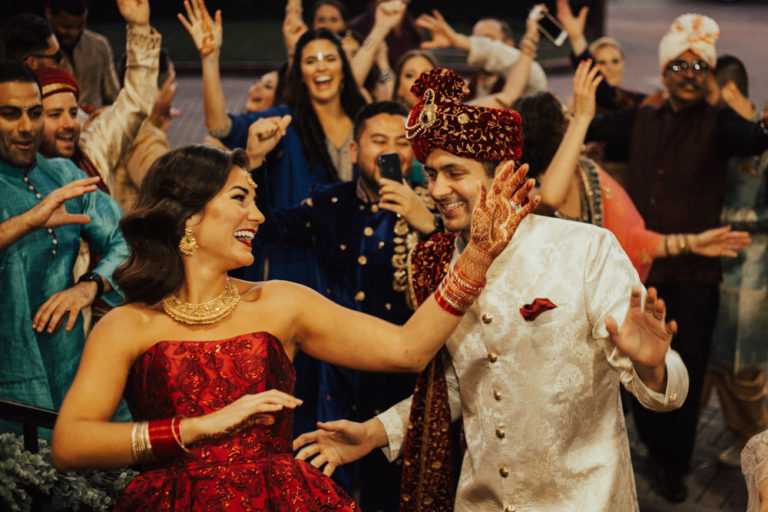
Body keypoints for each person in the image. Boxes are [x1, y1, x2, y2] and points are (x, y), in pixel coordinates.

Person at [50, 141, 536, 510]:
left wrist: (475, 257)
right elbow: (70, 444)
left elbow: (407, 349)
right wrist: (198, 427)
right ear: (190, 217)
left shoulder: (281, 303)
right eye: (241, 198)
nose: (258, 215)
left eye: (257, 200)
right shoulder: (126, 324)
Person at [293, 67, 689, 512]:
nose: (437, 188)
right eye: (431, 173)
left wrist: (653, 367)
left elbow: (666, 392)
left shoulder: (583, 249)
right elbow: (457, 387)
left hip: (585, 499)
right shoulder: (438, 264)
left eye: (453, 172)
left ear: (502, 174)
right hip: (481, 500)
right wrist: (374, 432)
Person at [584, 14, 768, 502]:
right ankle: (652, 444)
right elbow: (596, 112)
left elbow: (753, 138)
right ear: (664, 71)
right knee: (637, 365)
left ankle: (675, 466)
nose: (689, 73)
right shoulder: (641, 116)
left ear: (709, 74)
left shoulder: (719, 123)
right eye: (680, 65)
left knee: (688, 365)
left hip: (695, 275)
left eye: (699, 66)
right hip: (638, 270)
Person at [251, 100, 437, 511]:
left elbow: (464, 280)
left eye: (402, 142)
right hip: (332, 386)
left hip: (400, 390)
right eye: (378, 140)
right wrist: (254, 163)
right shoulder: (329, 205)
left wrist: (427, 224)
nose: (391, 151)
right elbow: (264, 230)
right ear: (354, 151)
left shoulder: (436, 207)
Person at [180, 0, 367, 286]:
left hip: (353, 264)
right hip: (294, 267)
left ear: (343, 66)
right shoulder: (284, 122)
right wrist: (209, 58)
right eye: (310, 60)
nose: (321, 68)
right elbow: (220, 126)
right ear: (300, 74)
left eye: (329, 58)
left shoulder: (363, 123)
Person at [515, 60, 750, 282]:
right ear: (555, 129)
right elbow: (551, 197)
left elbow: (633, 240)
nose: (572, 119)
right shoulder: (519, 189)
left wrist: (691, 243)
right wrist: (583, 119)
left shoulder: (585, 172)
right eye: (567, 116)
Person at [0, 59, 127, 436]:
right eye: (10, 114)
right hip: (11, 383)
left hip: (72, 371)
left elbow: (129, 240)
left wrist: (90, 285)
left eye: (35, 113)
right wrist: (28, 221)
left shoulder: (63, 174)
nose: (26, 128)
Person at [706, 55, 768, 468]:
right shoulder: (722, 133)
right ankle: (744, 440)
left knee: (745, 368)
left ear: (728, 91)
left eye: (711, 94)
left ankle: (760, 452)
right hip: (716, 261)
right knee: (718, 360)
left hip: (753, 267)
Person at [34, 0, 160, 194]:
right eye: (55, 114)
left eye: (73, 113)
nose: (69, 123)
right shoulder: (16, 179)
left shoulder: (92, 151)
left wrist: (140, 28)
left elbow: (135, 104)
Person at [415, 9, 548, 99]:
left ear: (509, 45)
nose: (482, 45)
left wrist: (458, 40)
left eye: (488, 39)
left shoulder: (530, 75)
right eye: (476, 39)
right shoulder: (467, 86)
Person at [45, 0, 120, 110]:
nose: (74, 33)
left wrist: (105, 113)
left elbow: (114, 96)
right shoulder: (37, 50)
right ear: (49, 15)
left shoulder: (99, 45)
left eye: (80, 26)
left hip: (97, 123)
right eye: (66, 27)